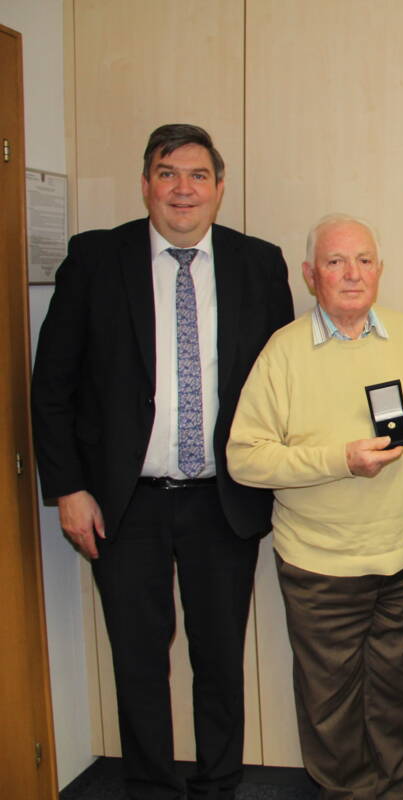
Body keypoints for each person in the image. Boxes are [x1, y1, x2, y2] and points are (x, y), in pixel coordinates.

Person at [30, 123, 293, 798]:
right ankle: (148, 786)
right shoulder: (96, 260)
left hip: (222, 499)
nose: (183, 190)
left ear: (220, 187)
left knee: (218, 659)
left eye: (198, 175)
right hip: (124, 502)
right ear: (146, 183)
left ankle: (219, 784)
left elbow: (282, 385)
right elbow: (51, 387)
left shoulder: (259, 265)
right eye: (168, 173)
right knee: (139, 661)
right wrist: (68, 490)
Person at [226, 214, 403, 798]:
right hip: (321, 568)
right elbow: (245, 458)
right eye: (336, 262)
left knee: (394, 701)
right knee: (331, 710)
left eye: (364, 260)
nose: (352, 274)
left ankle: (395, 792)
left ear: (381, 271)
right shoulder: (284, 352)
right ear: (310, 274)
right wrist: (338, 459)